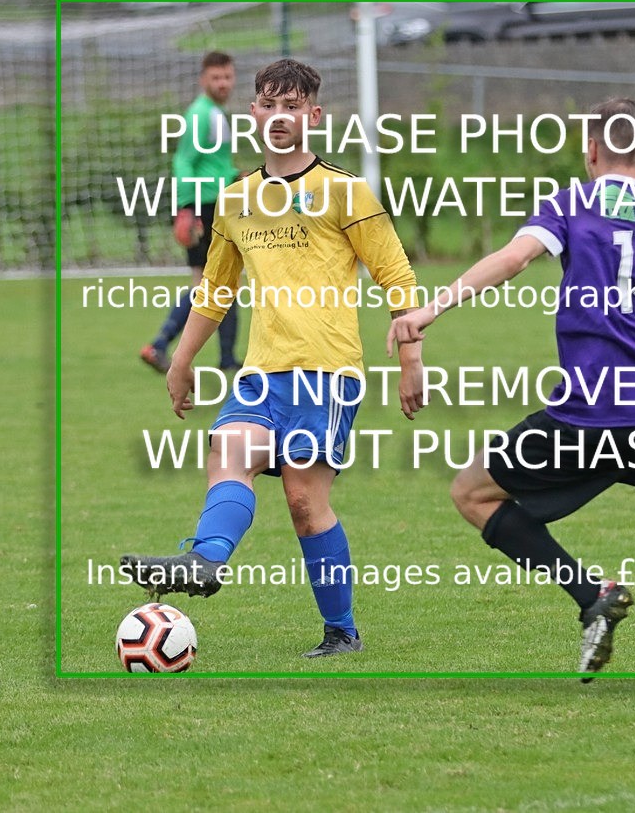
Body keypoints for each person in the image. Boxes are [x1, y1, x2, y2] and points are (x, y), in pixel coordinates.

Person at [387, 97, 635, 684]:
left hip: (590, 412)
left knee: (472, 493)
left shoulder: (572, 204)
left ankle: (592, 594)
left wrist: (431, 309)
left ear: (592, 150)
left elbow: (514, 259)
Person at [123, 58, 424, 658]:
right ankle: (204, 560)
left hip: (328, 374)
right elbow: (213, 291)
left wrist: (411, 359)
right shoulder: (236, 199)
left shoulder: (345, 191)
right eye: (268, 104)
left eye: (292, 106)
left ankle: (342, 632)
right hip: (263, 373)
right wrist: (181, 362)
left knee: (303, 501)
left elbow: (396, 276)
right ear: (253, 113)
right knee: (227, 449)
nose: (278, 116)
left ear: (313, 116)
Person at [140, 50, 243, 374]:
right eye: (216, 77)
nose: (223, 83)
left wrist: (232, 176)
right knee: (210, 285)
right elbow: (184, 161)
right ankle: (160, 345)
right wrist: (188, 207)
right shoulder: (202, 114)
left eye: (227, 76)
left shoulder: (215, 113)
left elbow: (213, 164)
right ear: (203, 80)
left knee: (222, 283)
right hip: (206, 206)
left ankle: (225, 358)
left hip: (216, 202)